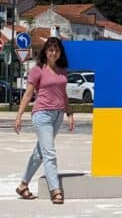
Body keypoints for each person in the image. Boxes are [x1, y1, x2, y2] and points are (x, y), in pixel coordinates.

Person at [14, 37, 74, 204]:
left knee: (40, 152)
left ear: (60, 52)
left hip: (58, 115)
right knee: (49, 153)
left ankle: (23, 185)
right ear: (45, 52)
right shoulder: (38, 70)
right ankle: (55, 190)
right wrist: (19, 115)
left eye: (56, 50)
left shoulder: (62, 70)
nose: (53, 53)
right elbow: (28, 94)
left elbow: (64, 94)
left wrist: (69, 114)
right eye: (50, 50)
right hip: (42, 114)